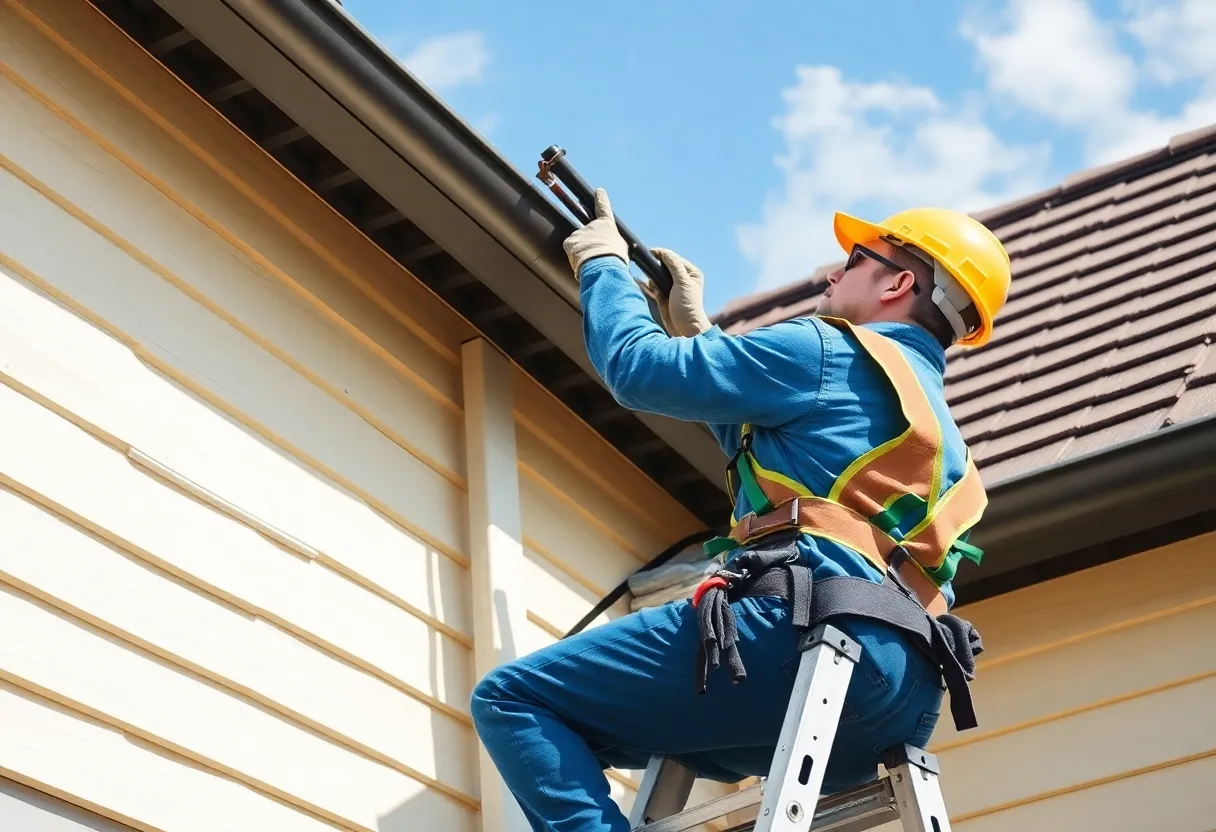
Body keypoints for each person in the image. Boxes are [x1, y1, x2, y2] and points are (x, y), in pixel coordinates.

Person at [470, 188, 1011, 832]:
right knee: (623, 725)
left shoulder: (828, 349)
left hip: (801, 641)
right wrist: (701, 335)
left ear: (898, 282)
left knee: (515, 699)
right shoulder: (943, 438)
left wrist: (604, 267)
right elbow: (779, 449)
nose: (834, 271)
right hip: (900, 702)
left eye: (858, 258)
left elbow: (637, 369)